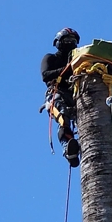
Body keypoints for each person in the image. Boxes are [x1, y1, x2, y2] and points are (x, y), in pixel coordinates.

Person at [40, 28, 81, 167]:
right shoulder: (51, 58)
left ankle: (78, 145)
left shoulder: (78, 61)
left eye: (73, 41)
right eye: (67, 40)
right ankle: (67, 148)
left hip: (75, 96)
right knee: (63, 118)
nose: (71, 43)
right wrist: (67, 69)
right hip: (56, 94)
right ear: (58, 43)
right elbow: (45, 75)